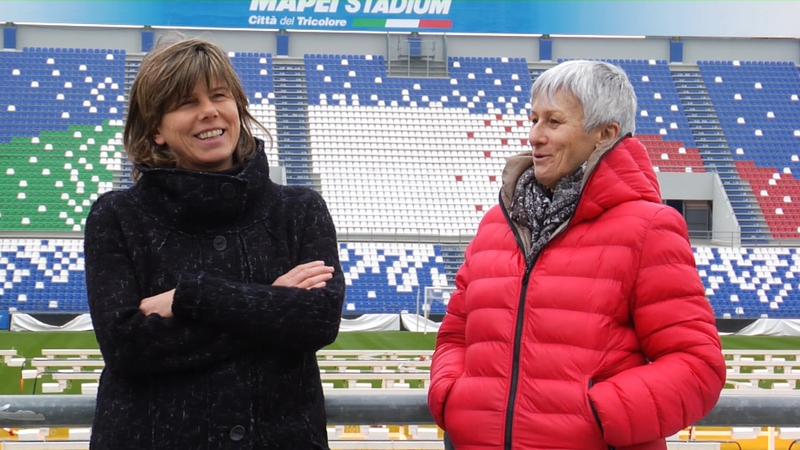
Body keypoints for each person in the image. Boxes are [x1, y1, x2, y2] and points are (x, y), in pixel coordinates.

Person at [428, 60, 726, 450]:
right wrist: (453, 396)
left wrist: (599, 415)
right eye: (533, 119)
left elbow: (696, 366)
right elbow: (455, 337)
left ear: (605, 134)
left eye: (553, 122)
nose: (534, 136)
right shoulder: (495, 226)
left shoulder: (649, 227)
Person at [84, 36, 345, 449]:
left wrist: (193, 297)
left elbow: (317, 321)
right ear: (155, 129)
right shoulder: (117, 216)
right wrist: (270, 302)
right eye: (186, 102)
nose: (209, 111)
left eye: (219, 95)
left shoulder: (300, 209)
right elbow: (127, 347)